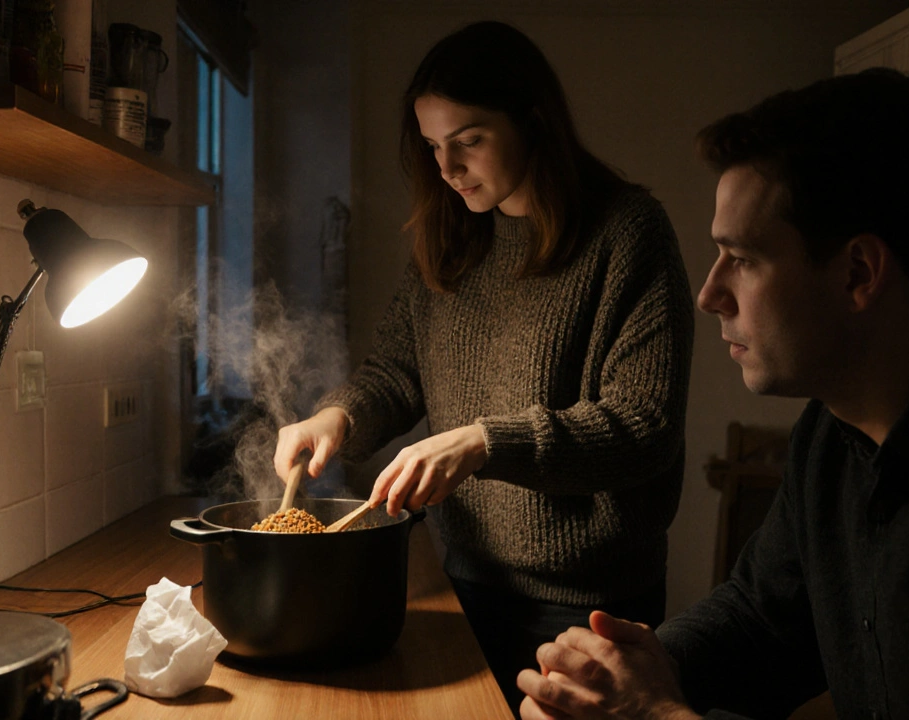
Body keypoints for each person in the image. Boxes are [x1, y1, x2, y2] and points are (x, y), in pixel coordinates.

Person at [517, 68, 909, 719]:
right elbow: (761, 619)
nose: (710, 295)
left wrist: (652, 714)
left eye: (741, 257)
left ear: (858, 272)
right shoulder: (836, 427)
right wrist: (606, 678)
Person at [272, 20, 694, 710]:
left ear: (534, 123)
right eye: (433, 146)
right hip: (462, 580)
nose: (447, 168)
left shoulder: (627, 232)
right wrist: (336, 415)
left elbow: (643, 428)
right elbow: (396, 372)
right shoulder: (453, 234)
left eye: (468, 141)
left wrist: (484, 442)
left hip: (588, 605)